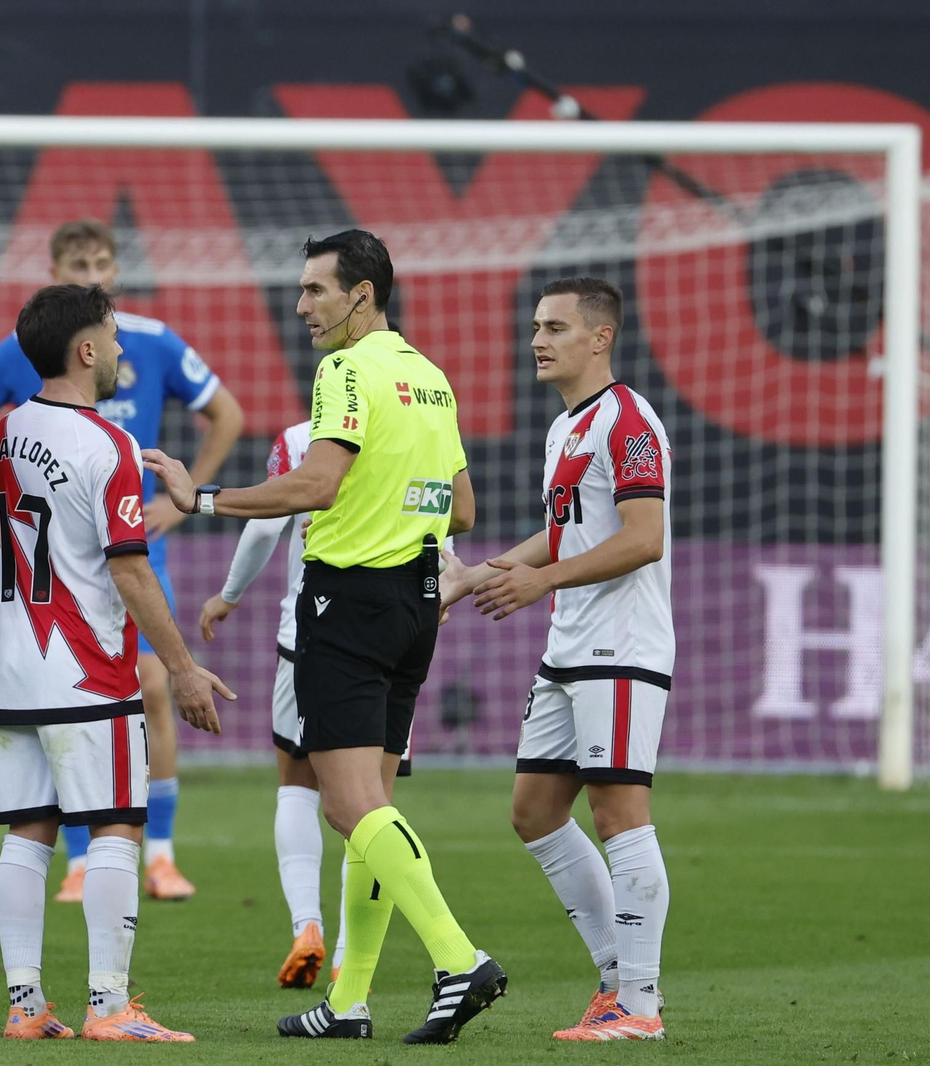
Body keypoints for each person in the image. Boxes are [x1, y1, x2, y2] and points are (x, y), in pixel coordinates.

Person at [143, 229, 505, 1044]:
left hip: (348, 603)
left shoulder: (345, 370)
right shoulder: (429, 377)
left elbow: (319, 484)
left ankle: (458, 959)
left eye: (315, 290)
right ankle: (349, 1003)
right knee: (371, 805)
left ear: (361, 295)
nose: (301, 305)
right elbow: (466, 511)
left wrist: (200, 499)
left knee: (345, 805)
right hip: (417, 604)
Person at [0, 283, 234, 1042]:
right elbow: (131, 571)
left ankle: (25, 1008)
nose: (123, 350)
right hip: (88, 669)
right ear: (86, 350)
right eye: (114, 337)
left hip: (11, 663)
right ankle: (109, 1006)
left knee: (28, 830)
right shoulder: (108, 446)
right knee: (119, 826)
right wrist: (183, 667)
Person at [442, 278, 671, 1042]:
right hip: (569, 647)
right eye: (536, 326)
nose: (537, 339)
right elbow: (564, 531)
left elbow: (645, 537)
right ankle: (614, 978)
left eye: (556, 327)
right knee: (535, 811)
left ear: (600, 338)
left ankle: (639, 1004)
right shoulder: (564, 429)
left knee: (617, 812)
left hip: (622, 648)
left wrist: (542, 579)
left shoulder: (629, 422)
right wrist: (482, 572)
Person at [197, 420, 415, 990]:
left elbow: (265, 526)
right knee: (375, 803)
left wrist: (229, 596)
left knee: (297, 784)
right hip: (397, 631)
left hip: (314, 636)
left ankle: (307, 928)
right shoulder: (417, 425)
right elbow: (446, 521)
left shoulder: (301, 439)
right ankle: (350, 954)